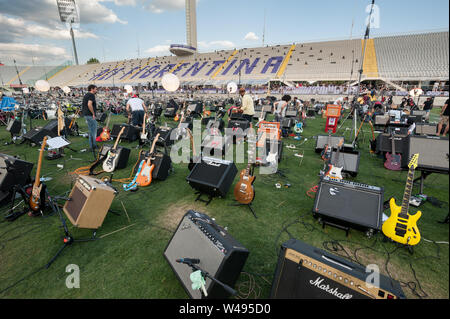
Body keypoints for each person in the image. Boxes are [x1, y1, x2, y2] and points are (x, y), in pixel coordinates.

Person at [82, 84, 98, 151]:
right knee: (93, 131)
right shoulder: (91, 95)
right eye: (95, 89)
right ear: (92, 89)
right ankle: (93, 146)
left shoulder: (86, 95)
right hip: (90, 115)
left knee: (91, 131)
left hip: (86, 114)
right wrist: (93, 113)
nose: (96, 90)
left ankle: (93, 145)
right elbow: (89, 104)